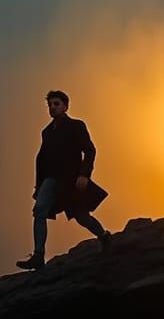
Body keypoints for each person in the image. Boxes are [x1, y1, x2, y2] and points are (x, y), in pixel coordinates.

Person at [17, 90, 112, 270]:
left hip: (71, 179)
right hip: (51, 180)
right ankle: (38, 256)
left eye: (56, 104)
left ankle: (104, 236)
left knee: (81, 216)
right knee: (39, 211)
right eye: (50, 105)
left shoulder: (76, 125)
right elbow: (42, 158)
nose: (52, 108)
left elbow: (90, 151)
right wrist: (39, 185)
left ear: (65, 106)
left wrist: (84, 174)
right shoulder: (46, 132)